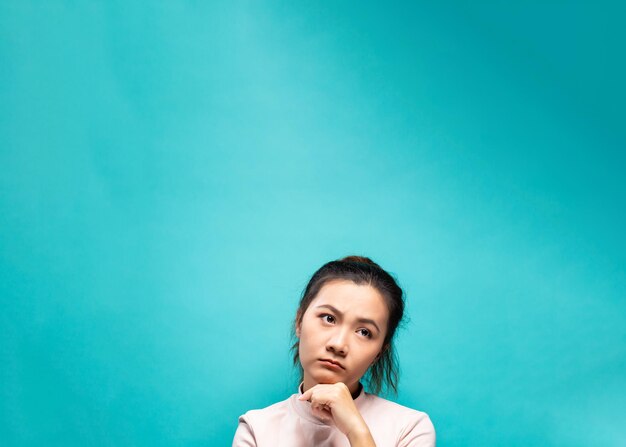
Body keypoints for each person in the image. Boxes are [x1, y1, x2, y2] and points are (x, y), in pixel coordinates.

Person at [232, 256, 435, 447]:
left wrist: (357, 431)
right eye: (329, 318)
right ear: (299, 320)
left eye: (364, 332)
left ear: (379, 353)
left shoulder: (410, 429)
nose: (338, 344)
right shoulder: (256, 429)